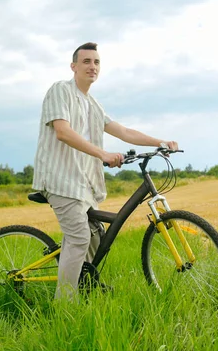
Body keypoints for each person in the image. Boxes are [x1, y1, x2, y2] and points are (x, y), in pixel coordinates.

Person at [33, 42, 178, 301]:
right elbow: (63, 132)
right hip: (58, 179)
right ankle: (64, 307)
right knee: (78, 237)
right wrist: (103, 154)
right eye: (86, 61)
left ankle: (84, 288)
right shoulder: (60, 90)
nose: (92, 66)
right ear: (74, 66)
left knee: (96, 238)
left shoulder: (93, 105)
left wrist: (160, 142)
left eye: (97, 62)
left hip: (82, 183)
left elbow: (124, 133)